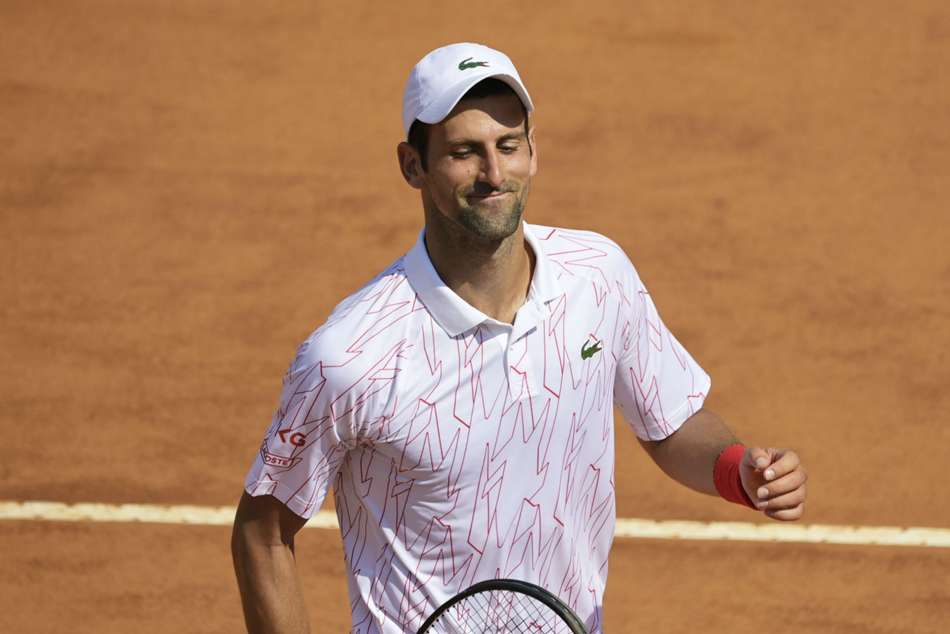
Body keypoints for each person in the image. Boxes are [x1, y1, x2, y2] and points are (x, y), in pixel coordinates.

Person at [231, 42, 807, 634]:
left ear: (534, 149)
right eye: (464, 152)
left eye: (508, 146)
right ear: (412, 165)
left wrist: (738, 471)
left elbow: (671, 423)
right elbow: (263, 532)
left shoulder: (597, 276)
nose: (493, 174)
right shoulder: (350, 356)